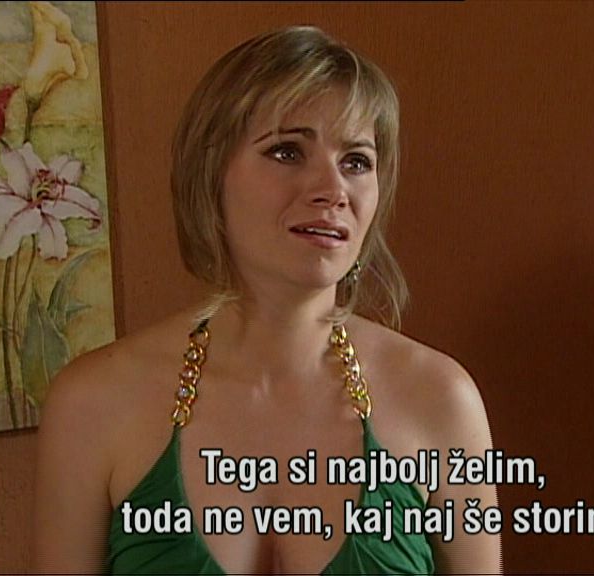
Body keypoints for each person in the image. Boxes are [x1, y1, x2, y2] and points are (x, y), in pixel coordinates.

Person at [32, 26, 501, 575]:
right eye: (287, 151)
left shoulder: (439, 399)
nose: (333, 190)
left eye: (356, 161)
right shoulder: (94, 404)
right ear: (210, 175)